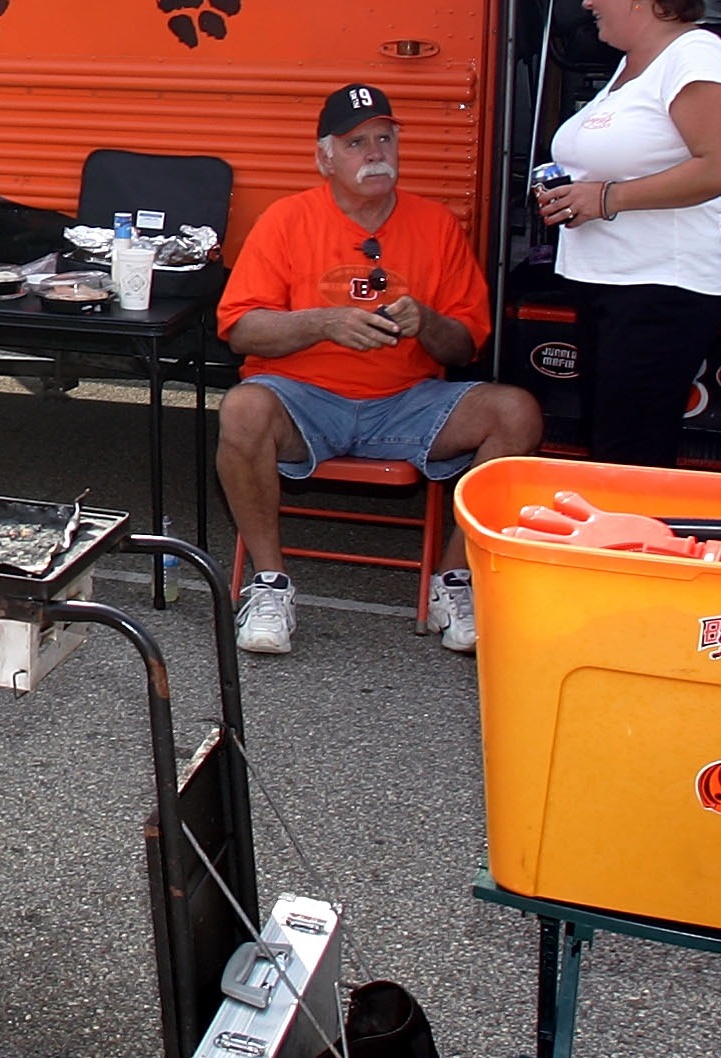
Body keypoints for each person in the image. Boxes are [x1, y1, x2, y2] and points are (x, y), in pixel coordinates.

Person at [215, 82, 544, 657]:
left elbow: (464, 347)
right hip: (305, 399)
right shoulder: (286, 219)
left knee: (516, 411)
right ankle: (269, 585)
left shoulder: (435, 224)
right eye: (357, 143)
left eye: (385, 139)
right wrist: (323, 323)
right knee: (242, 408)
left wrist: (428, 323)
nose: (375, 153)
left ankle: (455, 581)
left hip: (405, 401)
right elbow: (239, 327)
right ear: (325, 157)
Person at [534, 0, 721, 468]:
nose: (587, 3)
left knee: (629, 457)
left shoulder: (695, 56)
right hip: (609, 285)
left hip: (660, 290)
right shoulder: (631, 68)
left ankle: (630, 549)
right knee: (610, 449)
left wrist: (606, 198)